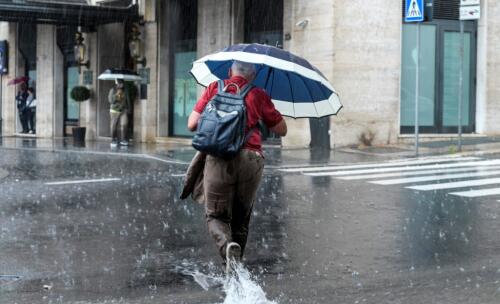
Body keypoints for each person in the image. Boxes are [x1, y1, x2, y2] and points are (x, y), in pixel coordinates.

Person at [186, 61, 287, 272]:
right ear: (252, 75)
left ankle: (227, 248)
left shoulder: (215, 87)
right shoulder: (259, 94)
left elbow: (192, 124)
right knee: (241, 217)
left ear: (230, 71)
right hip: (251, 158)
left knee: (215, 214)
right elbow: (282, 129)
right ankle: (236, 265)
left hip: (220, 156)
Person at [108, 79, 131, 148]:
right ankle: (113, 139)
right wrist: (117, 95)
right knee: (114, 125)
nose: (121, 85)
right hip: (115, 110)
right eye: (120, 83)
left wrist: (129, 108)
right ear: (117, 83)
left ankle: (124, 139)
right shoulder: (113, 90)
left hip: (123, 109)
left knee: (125, 123)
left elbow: (128, 99)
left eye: (122, 83)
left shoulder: (125, 90)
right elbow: (111, 101)